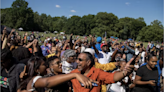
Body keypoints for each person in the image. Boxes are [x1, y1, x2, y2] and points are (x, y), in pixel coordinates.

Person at [18, 56, 98, 92]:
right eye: (43, 64)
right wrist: (75, 75)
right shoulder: (35, 80)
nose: (45, 66)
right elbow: (47, 82)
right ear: (37, 69)